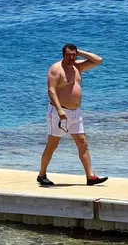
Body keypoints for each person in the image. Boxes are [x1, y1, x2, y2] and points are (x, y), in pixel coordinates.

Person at [38, 43, 108, 187]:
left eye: (74, 55)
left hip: (76, 113)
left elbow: (98, 60)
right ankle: (42, 175)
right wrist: (60, 110)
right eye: (68, 55)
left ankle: (90, 176)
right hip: (59, 112)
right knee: (52, 145)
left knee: (82, 143)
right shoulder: (56, 69)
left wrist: (80, 52)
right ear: (63, 55)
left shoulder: (78, 67)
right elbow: (51, 90)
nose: (71, 58)